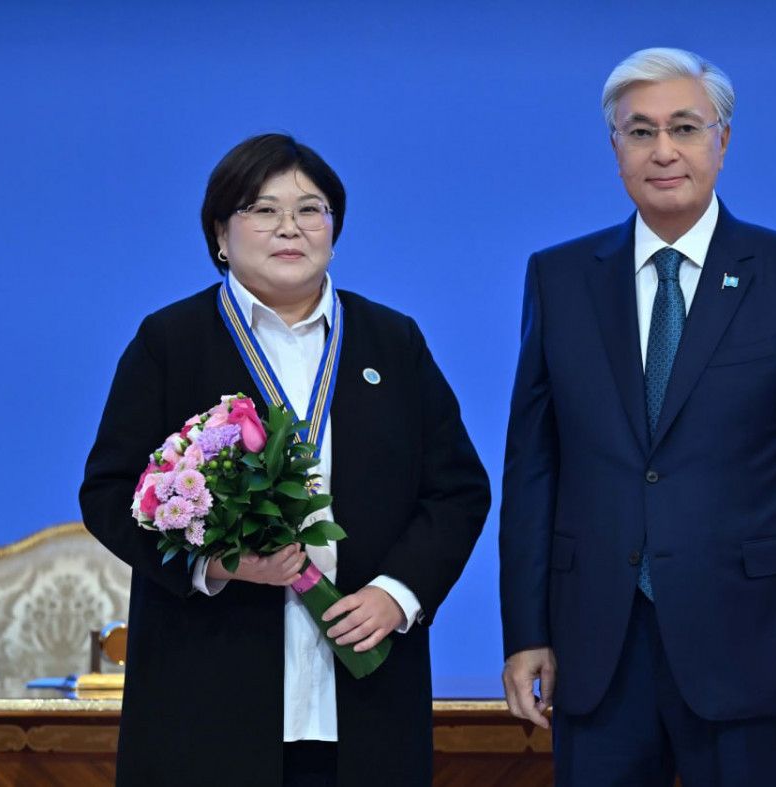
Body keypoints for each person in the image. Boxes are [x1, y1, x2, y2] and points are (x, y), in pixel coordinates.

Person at [499, 48, 776, 786]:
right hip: (597, 647)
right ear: (615, 148)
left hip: (755, 646)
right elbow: (533, 468)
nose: (663, 150)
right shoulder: (559, 277)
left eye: (685, 127)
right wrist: (525, 632)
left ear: (722, 141)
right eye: (640, 131)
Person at [81, 133, 490, 787]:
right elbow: (108, 493)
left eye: (310, 209)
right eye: (263, 209)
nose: (290, 227)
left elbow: (458, 490)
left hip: (366, 694)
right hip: (207, 695)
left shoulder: (392, 341)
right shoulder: (170, 341)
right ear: (221, 234)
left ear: (334, 228)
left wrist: (399, 593)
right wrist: (214, 564)